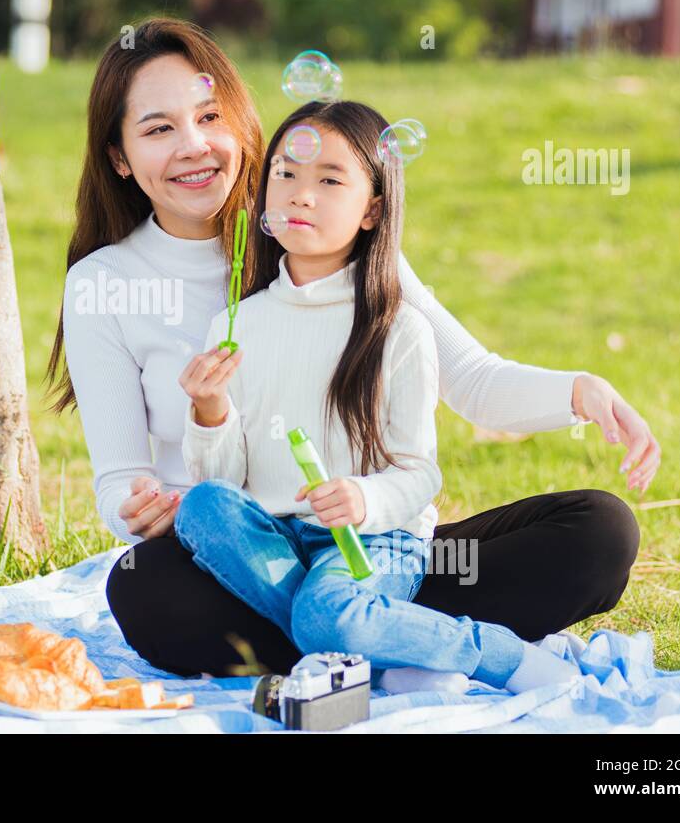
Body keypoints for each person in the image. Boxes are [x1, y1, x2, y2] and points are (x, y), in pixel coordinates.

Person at [44, 17, 650, 677]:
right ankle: (384, 637)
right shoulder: (103, 284)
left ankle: (355, 628)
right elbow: (118, 479)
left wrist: (578, 391)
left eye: (209, 116)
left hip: (372, 543)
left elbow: (471, 378)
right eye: (159, 128)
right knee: (143, 583)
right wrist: (137, 506)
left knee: (599, 532)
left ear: (241, 123)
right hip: (240, 558)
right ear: (119, 156)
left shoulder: (316, 228)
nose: (194, 145)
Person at [174, 98, 580, 692]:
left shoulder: (398, 328)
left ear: (373, 212)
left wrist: (363, 499)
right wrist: (209, 413)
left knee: (327, 611)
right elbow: (227, 478)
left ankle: (498, 655)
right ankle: (386, 655)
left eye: (330, 180)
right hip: (278, 537)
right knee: (202, 506)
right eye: (284, 174)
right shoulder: (237, 324)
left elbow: (419, 475)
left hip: (375, 539)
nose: (300, 194)